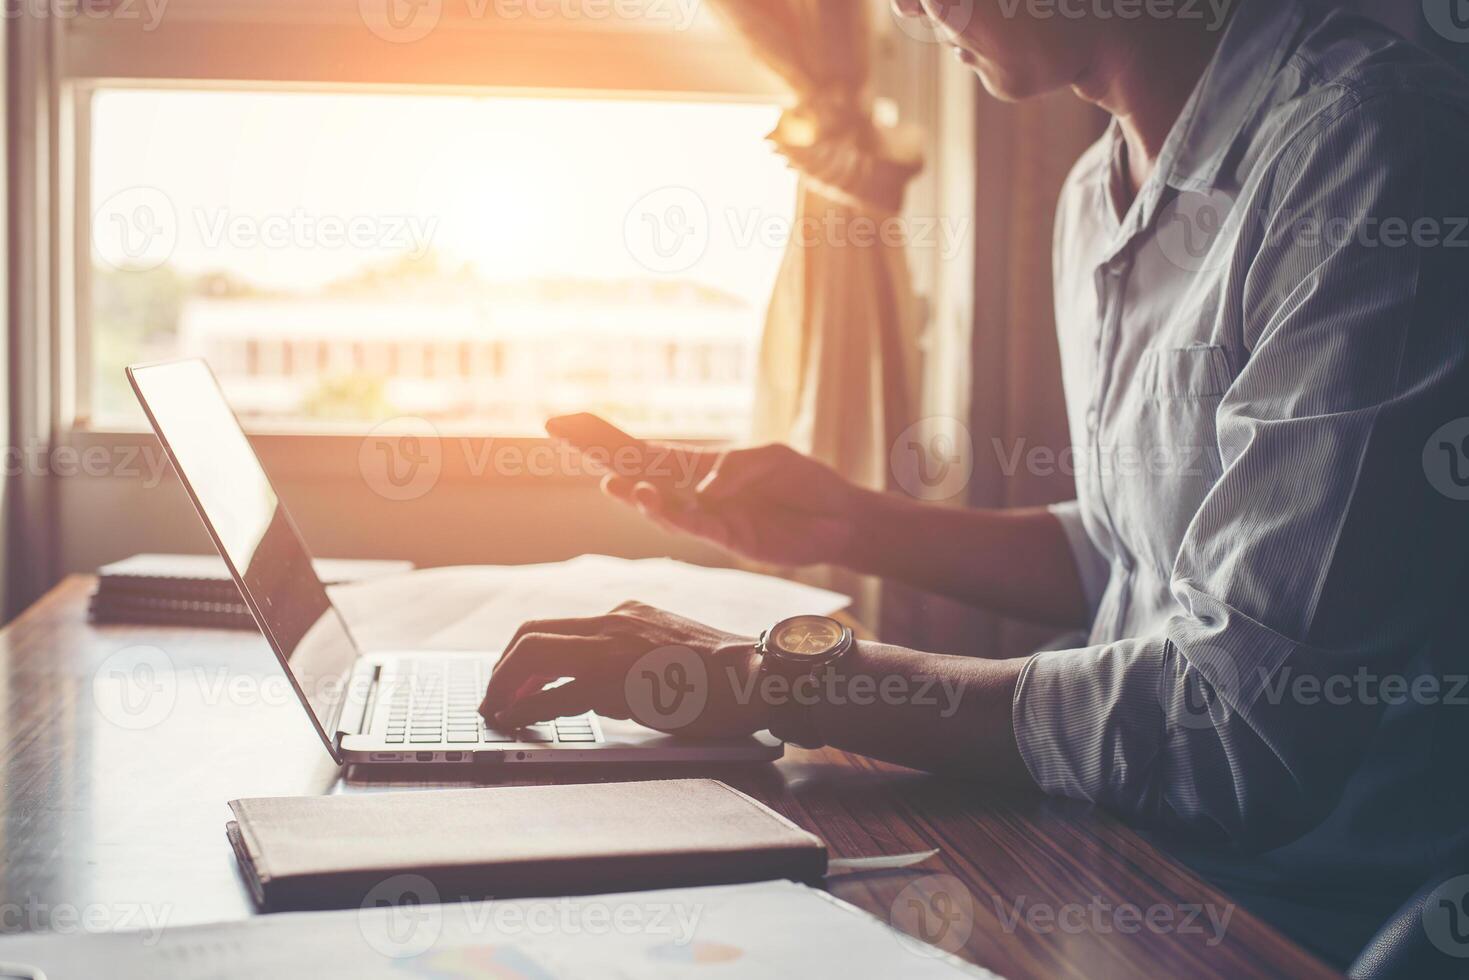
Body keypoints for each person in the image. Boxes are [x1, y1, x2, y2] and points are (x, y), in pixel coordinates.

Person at [480, 0, 1469, 966]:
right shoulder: (1094, 193)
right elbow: (1132, 554)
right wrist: (849, 520)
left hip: (1300, 911)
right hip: (1122, 841)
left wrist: (771, 677)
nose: (907, 12)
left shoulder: (1372, 149)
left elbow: (1238, 726)